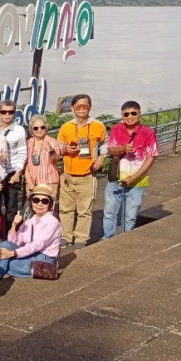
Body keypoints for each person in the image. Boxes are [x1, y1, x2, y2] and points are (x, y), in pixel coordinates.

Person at [104, 101, 159, 239]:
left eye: (133, 113)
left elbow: (151, 157)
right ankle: (107, 238)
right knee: (110, 212)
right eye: (126, 114)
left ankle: (125, 239)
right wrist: (123, 148)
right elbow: (111, 150)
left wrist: (134, 177)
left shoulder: (148, 133)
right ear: (122, 115)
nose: (130, 117)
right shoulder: (117, 129)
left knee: (130, 215)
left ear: (139, 113)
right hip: (116, 178)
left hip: (137, 180)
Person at [57, 94, 106, 249]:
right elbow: (58, 147)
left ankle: (81, 238)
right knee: (65, 209)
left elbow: (106, 142)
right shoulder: (65, 127)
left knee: (85, 211)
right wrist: (65, 149)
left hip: (87, 175)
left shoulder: (98, 126)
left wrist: (102, 157)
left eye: (85, 106)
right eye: (78, 107)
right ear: (73, 108)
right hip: (67, 176)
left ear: (90, 107)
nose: (82, 109)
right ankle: (66, 236)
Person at [0, 185, 62, 279]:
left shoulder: (53, 222)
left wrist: (13, 253)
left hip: (44, 259)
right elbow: (14, 242)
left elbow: (39, 244)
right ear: (31, 202)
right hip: (28, 254)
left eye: (44, 201)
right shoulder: (29, 221)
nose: (39, 204)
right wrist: (14, 225)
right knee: (5, 245)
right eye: (36, 200)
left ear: (49, 204)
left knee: (5, 262)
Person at [0, 99, 28, 234]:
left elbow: (22, 152)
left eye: (10, 112)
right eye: (4, 112)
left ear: (14, 113)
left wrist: (18, 172)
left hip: (12, 172)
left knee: (11, 206)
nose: (7, 115)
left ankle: (11, 234)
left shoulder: (19, 130)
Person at [24, 114, 62, 199]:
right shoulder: (28, 143)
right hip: (32, 183)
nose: (39, 130)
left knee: (47, 206)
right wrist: (29, 182)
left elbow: (56, 159)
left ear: (46, 128)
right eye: (36, 128)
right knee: (33, 206)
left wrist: (51, 151)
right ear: (31, 130)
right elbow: (26, 166)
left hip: (49, 182)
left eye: (42, 127)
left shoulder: (52, 141)